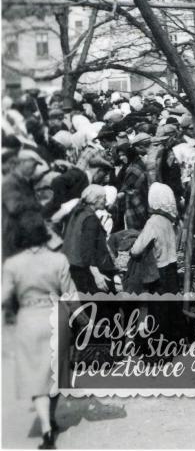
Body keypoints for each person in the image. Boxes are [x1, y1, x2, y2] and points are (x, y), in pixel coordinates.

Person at [2, 212, 75, 450]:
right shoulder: (58, 260)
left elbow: (3, 296)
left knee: (35, 375)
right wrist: (85, 319)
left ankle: (46, 428)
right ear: (44, 233)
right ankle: (51, 417)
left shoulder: (12, 264)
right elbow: (71, 294)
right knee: (54, 373)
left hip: (29, 321)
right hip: (55, 318)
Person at [62, 185, 115, 293]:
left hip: (73, 266)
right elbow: (88, 250)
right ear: (95, 199)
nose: (105, 201)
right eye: (104, 198)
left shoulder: (77, 212)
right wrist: (97, 276)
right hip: (86, 272)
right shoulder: (90, 219)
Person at [128, 182, 179, 293]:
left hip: (159, 270)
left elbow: (137, 249)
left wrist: (131, 252)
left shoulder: (153, 222)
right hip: (172, 266)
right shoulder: (169, 220)